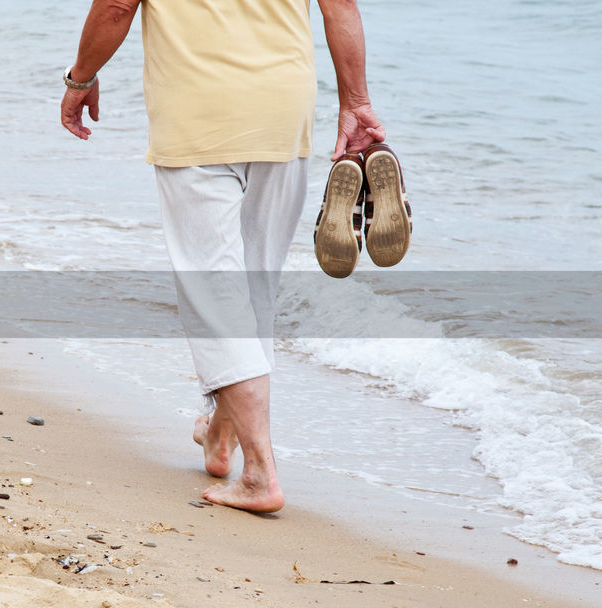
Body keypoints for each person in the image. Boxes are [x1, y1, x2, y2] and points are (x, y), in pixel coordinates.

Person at [60, 0, 386, 512]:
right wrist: (356, 101)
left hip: (198, 119)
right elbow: (339, 6)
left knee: (215, 294)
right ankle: (220, 436)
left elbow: (118, 7)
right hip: (284, 112)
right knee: (254, 291)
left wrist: (80, 79)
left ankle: (259, 474)